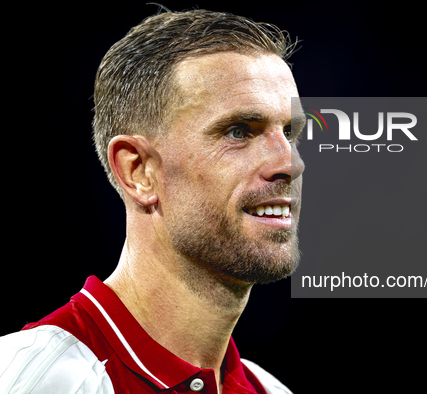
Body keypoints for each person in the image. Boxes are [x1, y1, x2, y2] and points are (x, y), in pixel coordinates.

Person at [0, 8, 305, 394]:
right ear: (139, 171)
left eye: (290, 132)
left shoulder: (269, 389)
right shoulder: (43, 378)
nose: (290, 163)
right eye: (239, 131)